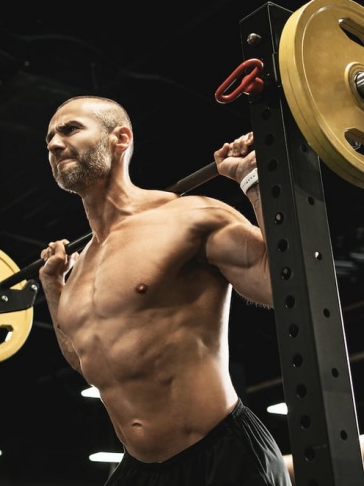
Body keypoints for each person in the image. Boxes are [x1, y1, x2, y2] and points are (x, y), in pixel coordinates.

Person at [38, 95, 291, 486]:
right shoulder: (81, 265)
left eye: (70, 129)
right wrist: (53, 288)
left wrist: (254, 182)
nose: (54, 144)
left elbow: (283, 286)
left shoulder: (189, 217)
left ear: (119, 139)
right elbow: (84, 359)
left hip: (221, 455)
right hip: (139, 469)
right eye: (50, 137)